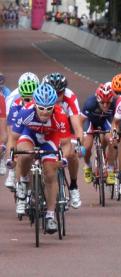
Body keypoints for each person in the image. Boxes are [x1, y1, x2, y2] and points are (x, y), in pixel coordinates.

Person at [8, 84, 74, 233]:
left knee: (50, 172)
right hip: (29, 135)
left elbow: (66, 144)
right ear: (35, 104)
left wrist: (63, 159)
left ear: (54, 106)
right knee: (26, 153)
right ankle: (23, 181)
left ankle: (50, 216)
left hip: (50, 139)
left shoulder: (60, 115)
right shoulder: (25, 112)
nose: (45, 112)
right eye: (41, 108)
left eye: (49, 108)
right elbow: (13, 138)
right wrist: (12, 156)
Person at [43, 72, 85, 209]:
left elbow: (77, 126)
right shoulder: (41, 94)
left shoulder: (70, 98)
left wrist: (79, 143)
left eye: (59, 93)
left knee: (72, 154)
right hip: (47, 126)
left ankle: (73, 186)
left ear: (64, 91)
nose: (56, 97)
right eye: (53, 93)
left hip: (66, 126)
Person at [80, 82, 117, 185]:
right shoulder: (90, 103)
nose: (105, 105)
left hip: (106, 122)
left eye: (107, 103)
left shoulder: (114, 104)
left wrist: (114, 133)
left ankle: (110, 170)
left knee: (112, 141)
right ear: (97, 100)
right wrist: (80, 136)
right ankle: (87, 165)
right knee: (87, 146)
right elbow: (80, 121)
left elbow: (116, 121)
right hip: (91, 122)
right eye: (102, 103)